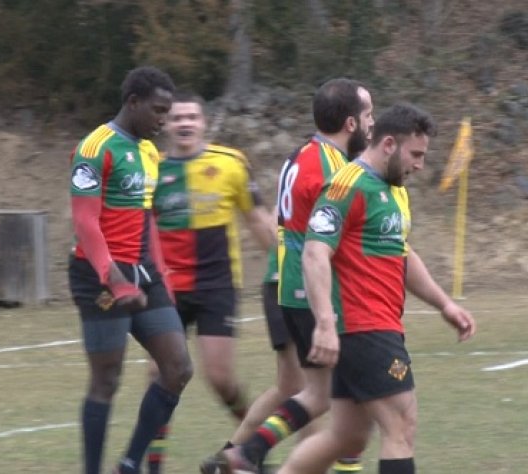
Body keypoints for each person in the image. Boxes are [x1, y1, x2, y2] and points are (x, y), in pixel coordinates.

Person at [277, 103, 476, 474]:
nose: (420, 165)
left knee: (348, 436)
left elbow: (401, 256)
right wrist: (324, 322)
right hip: (363, 327)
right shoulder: (347, 185)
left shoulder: (394, 190)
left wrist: (445, 305)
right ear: (388, 144)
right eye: (415, 154)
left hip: (377, 325)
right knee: (400, 425)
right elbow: (315, 252)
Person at [201, 77, 374, 474]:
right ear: (350, 123)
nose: (372, 124)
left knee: (306, 391)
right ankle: (247, 454)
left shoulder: (302, 154)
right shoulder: (333, 167)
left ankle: (236, 454)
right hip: (310, 287)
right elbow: (335, 238)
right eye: (368, 115)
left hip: (284, 281)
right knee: (349, 393)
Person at [68, 66, 193, 474]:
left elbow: (147, 218)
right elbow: (85, 221)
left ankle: (129, 464)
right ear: (133, 102)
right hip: (98, 275)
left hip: (143, 272)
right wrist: (113, 278)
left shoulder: (149, 153)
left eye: (167, 112)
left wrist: (162, 276)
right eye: (158, 111)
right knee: (107, 378)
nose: (163, 121)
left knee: (178, 368)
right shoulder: (95, 147)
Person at [146, 92, 277, 473]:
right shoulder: (151, 169)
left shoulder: (230, 163)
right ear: (165, 124)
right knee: (161, 375)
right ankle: (152, 464)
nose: (185, 123)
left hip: (216, 287)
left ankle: (249, 449)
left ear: (204, 122)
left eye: (192, 117)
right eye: (177, 118)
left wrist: (288, 263)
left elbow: (257, 220)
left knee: (220, 379)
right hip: (166, 289)